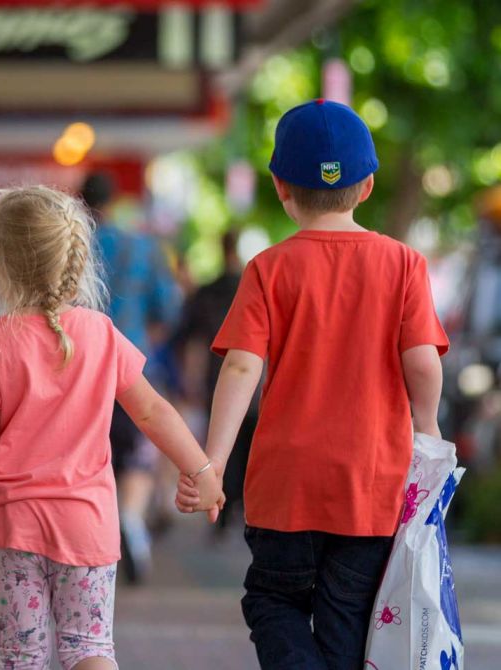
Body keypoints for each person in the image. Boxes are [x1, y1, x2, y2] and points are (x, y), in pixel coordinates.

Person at [0, 185, 223, 670]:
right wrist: (201, 469)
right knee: (90, 649)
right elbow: (153, 411)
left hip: (13, 527)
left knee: (24, 656)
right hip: (87, 524)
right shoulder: (101, 332)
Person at [176, 100, 449, 669]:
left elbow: (242, 367)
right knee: (347, 615)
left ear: (281, 187)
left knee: (273, 599)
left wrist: (213, 465)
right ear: (368, 185)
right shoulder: (403, 265)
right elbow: (422, 360)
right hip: (371, 487)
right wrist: (427, 426)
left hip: (284, 490)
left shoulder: (268, 268)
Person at [81, 173, 181, 583]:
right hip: (133, 365)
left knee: (88, 456)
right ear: (114, 199)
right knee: (138, 454)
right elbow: (169, 310)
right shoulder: (144, 246)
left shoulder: (69, 246)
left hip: (79, 370)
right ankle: (132, 520)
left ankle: (92, 541)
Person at [176, 231, 258, 535]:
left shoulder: (207, 291)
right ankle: (243, 508)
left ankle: (222, 510)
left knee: (226, 443)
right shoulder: (253, 282)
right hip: (259, 384)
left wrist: (191, 379)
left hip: (219, 380)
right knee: (250, 448)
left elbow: (190, 338)